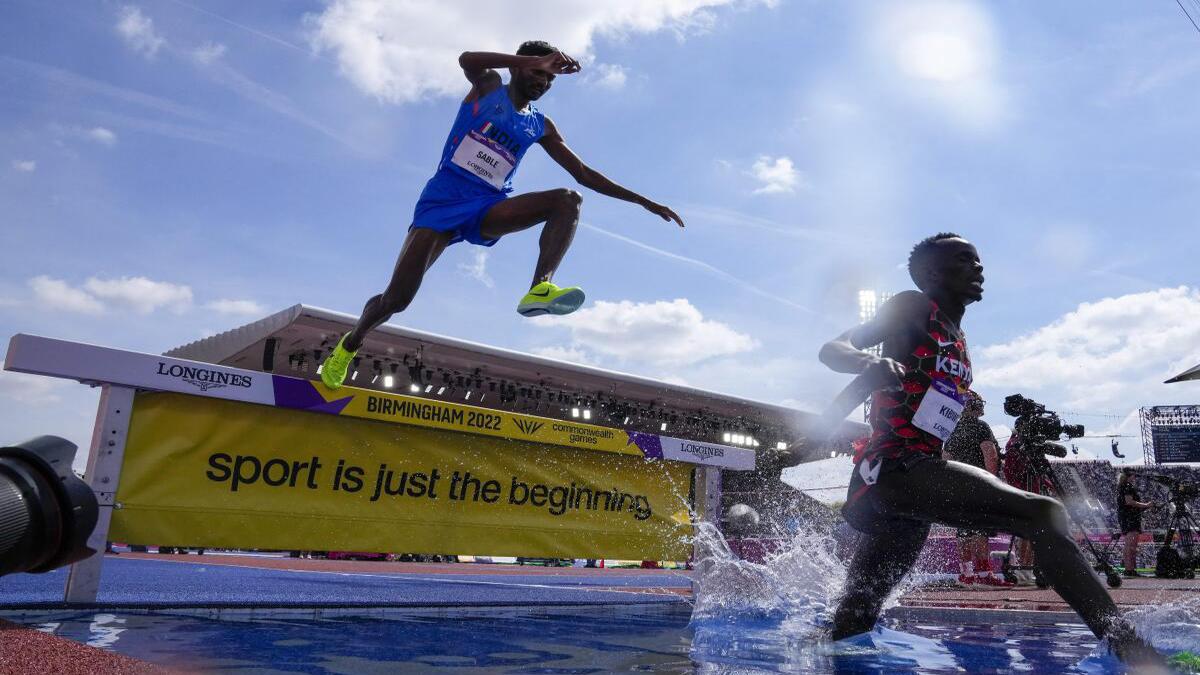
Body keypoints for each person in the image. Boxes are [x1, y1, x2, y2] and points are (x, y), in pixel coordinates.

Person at [819, 232, 1162, 666]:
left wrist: (824, 424)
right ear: (930, 273)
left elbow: (878, 388)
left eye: (979, 261)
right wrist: (865, 361)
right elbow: (833, 349)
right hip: (898, 467)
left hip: (909, 485)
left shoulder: (955, 335)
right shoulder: (912, 306)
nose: (978, 268)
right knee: (1041, 513)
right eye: (964, 260)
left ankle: (820, 656)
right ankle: (1127, 647)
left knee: (853, 620)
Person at [320, 41, 684, 389]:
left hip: (488, 205)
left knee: (567, 199)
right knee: (396, 300)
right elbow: (467, 59)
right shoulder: (489, 87)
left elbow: (583, 173)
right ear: (520, 68)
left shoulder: (540, 124)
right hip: (442, 203)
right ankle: (350, 344)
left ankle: (539, 288)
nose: (543, 82)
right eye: (538, 73)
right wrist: (530, 60)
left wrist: (642, 201)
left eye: (549, 80)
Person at [941, 390, 1009, 586]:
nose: (982, 406)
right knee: (980, 529)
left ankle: (967, 574)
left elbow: (946, 458)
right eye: (979, 402)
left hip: (958, 486)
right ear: (971, 405)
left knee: (963, 530)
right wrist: (992, 482)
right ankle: (983, 573)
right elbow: (990, 453)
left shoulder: (953, 429)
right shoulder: (981, 426)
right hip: (979, 484)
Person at [1117, 467, 1155, 578]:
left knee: (1129, 545)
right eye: (1134, 475)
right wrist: (1146, 505)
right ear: (1130, 475)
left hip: (1126, 517)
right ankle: (1130, 570)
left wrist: (1144, 507)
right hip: (1130, 518)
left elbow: (1127, 504)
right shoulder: (1128, 486)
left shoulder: (1122, 486)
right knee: (1131, 545)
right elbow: (1129, 502)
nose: (1135, 477)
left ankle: (1130, 569)